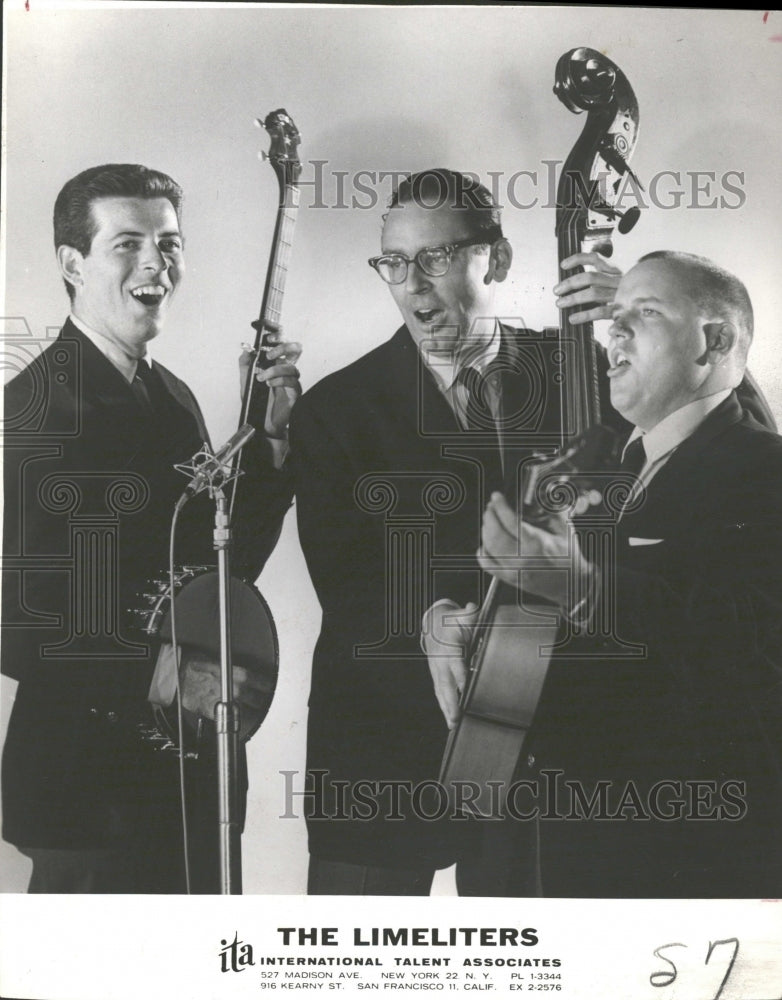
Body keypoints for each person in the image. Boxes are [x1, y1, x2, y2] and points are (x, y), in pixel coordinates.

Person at [289, 168, 625, 895]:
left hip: (544, 736)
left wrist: (636, 321)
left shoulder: (584, 368)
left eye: (436, 259)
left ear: (495, 259)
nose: (413, 286)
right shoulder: (332, 408)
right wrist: (432, 618)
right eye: (395, 264)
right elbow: (345, 578)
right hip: (380, 742)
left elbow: (709, 441)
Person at [431, 251, 782, 897]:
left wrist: (582, 589)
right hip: (566, 844)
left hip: (684, 858)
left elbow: (749, 641)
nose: (613, 334)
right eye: (613, 318)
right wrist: (459, 626)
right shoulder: (607, 468)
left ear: (716, 341)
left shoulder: (764, 467)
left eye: (643, 314)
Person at [1, 163, 302, 893]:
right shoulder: (30, 408)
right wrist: (167, 674)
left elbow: (212, 578)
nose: (154, 264)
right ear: (73, 264)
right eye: (127, 243)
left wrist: (271, 441)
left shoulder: (170, 396)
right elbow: (13, 623)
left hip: (187, 771)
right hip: (88, 791)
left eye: (168, 243)